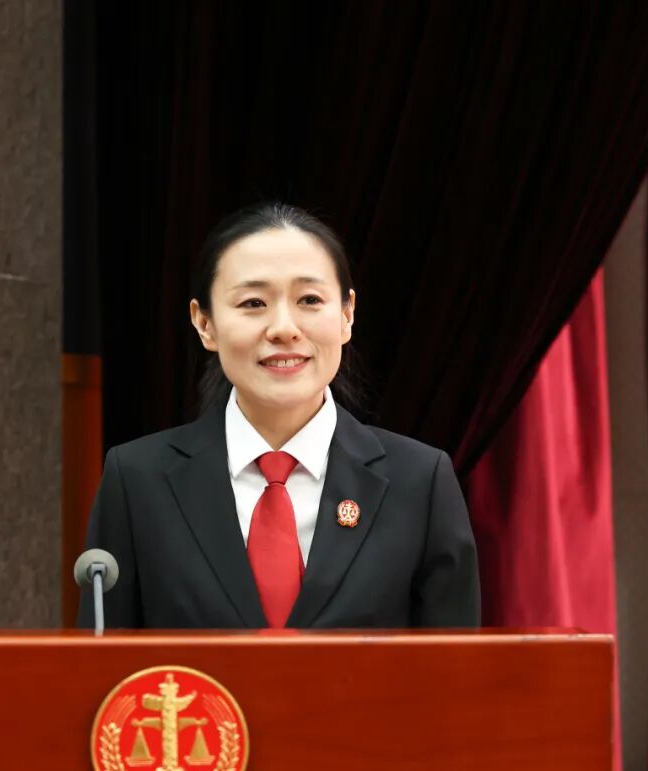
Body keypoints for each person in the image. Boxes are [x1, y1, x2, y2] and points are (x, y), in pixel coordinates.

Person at [78, 202, 478, 629]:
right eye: (253, 303)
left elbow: (455, 665)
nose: (284, 328)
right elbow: (107, 661)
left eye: (310, 300)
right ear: (204, 323)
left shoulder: (420, 482)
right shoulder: (137, 480)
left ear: (347, 315)